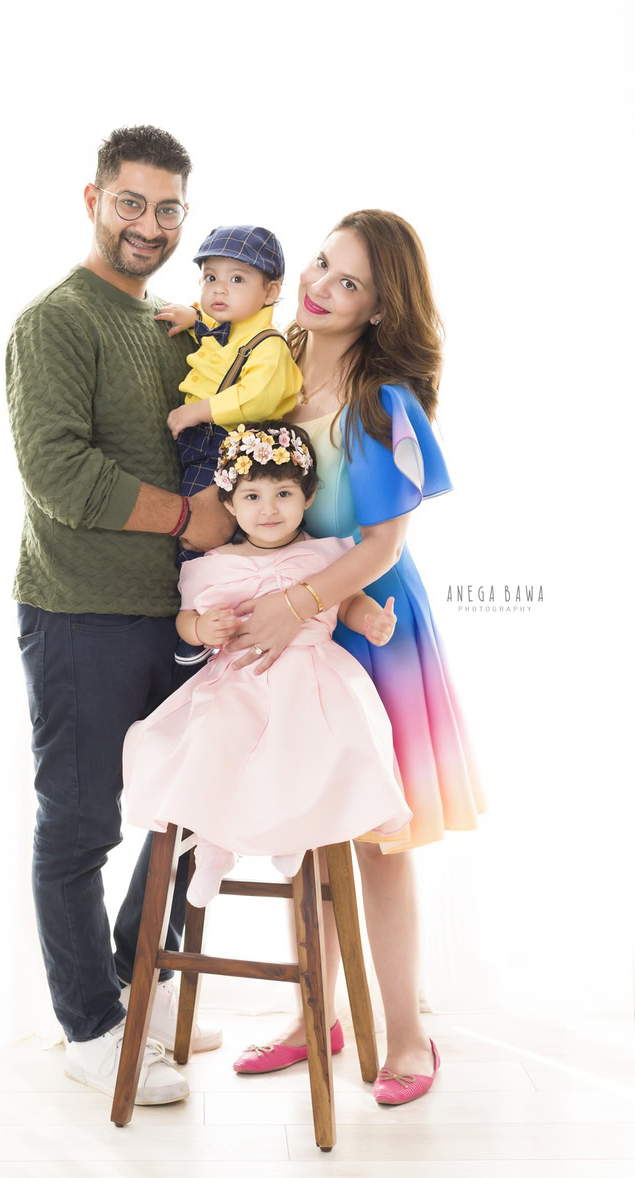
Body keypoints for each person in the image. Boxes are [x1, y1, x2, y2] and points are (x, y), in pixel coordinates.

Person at [226, 210, 486, 1106]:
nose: (320, 287)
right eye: (321, 265)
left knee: (379, 838)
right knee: (308, 832)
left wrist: (296, 602)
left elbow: (379, 544)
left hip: (367, 622)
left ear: (380, 309)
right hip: (301, 622)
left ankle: (408, 1033)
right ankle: (315, 1016)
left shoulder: (384, 403)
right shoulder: (281, 368)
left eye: (348, 282)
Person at [6, 125, 236, 1108]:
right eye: (131, 202)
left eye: (168, 207)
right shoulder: (54, 322)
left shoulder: (163, 327)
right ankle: (90, 1024)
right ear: (92, 200)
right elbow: (60, 472)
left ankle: (127, 984)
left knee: (190, 812)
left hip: (174, 616)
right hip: (80, 611)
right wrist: (190, 516)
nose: (149, 224)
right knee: (81, 823)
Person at [121, 421, 411, 908]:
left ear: (309, 496)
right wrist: (202, 629)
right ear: (231, 505)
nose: (269, 508)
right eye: (252, 497)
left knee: (311, 741)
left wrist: (369, 622)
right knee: (217, 740)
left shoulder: (324, 555)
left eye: (283, 493)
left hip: (311, 670)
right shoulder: (216, 562)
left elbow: (351, 598)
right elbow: (186, 619)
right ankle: (214, 849)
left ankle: (293, 834)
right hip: (240, 676)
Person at [155, 225, 303, 666]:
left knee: (200, 532)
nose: (220, 289)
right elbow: (216, 343)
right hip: (205, 443)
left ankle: (196, 625)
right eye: (210, 277)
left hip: (227, 445)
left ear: (271, 291)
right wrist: (194, 317)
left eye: (237, 279)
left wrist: (198, 411)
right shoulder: (226, 329)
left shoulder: (269, 344)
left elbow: (253, 395)